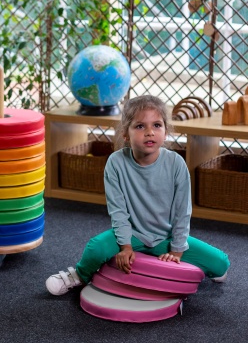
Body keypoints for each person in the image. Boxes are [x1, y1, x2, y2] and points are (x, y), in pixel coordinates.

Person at [46, 95, 230, 295]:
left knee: (221, 265)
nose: (150, 132)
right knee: (96, 248)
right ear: (126, 133)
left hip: (166, 236)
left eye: (157, 125)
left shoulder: (176, 164)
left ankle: (178, 258)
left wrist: (176, 250)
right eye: (140, 126)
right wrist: (125, 247)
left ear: (166, 131)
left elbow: (182, 212)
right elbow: (118, 211)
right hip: (132, 235)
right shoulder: (115, 163)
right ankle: (79, 275)